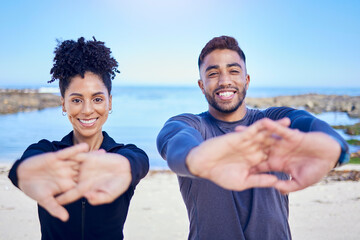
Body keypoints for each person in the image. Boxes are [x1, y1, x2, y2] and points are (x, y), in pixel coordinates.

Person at [156, 36, 349, 240]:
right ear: (201, 85)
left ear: (246, 80)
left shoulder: (273, 121)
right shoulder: (191, 124)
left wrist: (335, 151)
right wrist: (195, 159)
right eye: (213, 74)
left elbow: (311, 125)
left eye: (234, 71)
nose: (225, 81)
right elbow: (174, 141)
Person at [8, 37, 149, 240]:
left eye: (97, 99)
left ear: (109, 102)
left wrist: (124, 166)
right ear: (63, 104)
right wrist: (20, 172)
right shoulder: (48, 152)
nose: (87, 110)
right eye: (76, 100)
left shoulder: (122, 155)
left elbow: (138, 161)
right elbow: (27, 163)